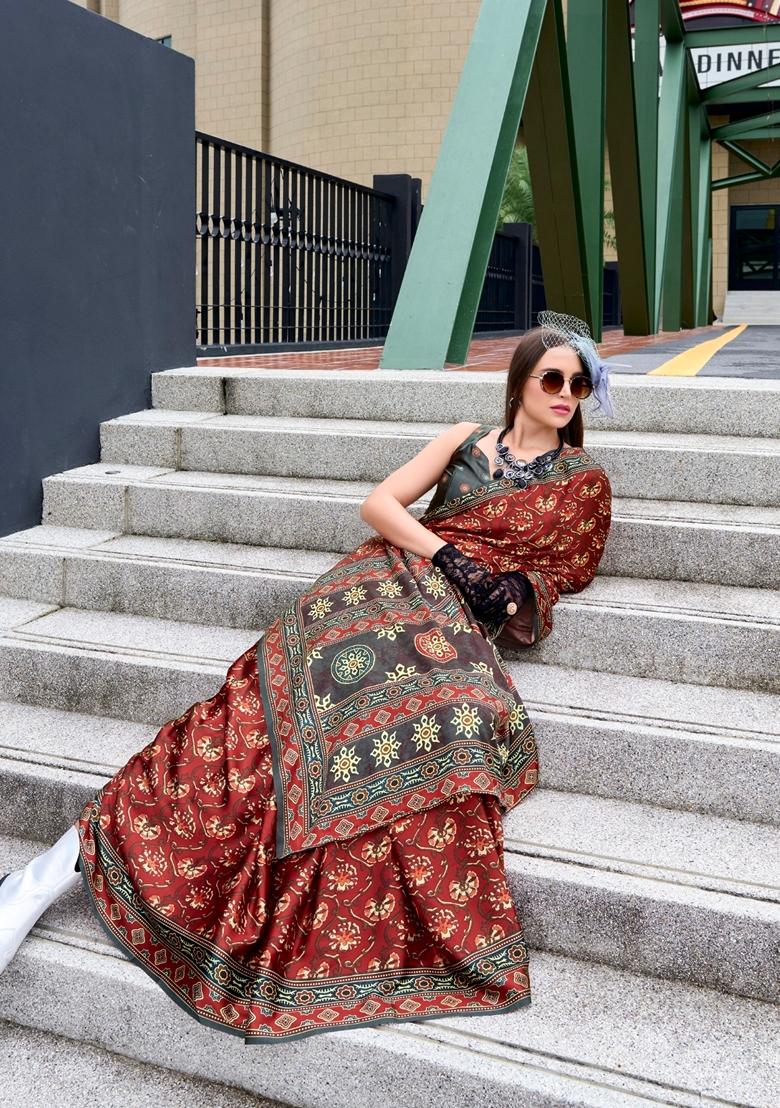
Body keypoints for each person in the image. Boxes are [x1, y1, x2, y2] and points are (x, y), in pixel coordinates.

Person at [0, 311, 613, 1044]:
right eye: (554, 378)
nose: (567, 392)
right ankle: (56, 868)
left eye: (580, 383)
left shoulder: (582, 481)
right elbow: (380, 504)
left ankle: (62, 873)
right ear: (519, 384)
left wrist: (511, 591)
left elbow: (562, 567)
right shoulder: (462, 438)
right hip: (380, 577)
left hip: (450, 620)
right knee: (250, 718)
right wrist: (446, 555)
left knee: (456, 708)